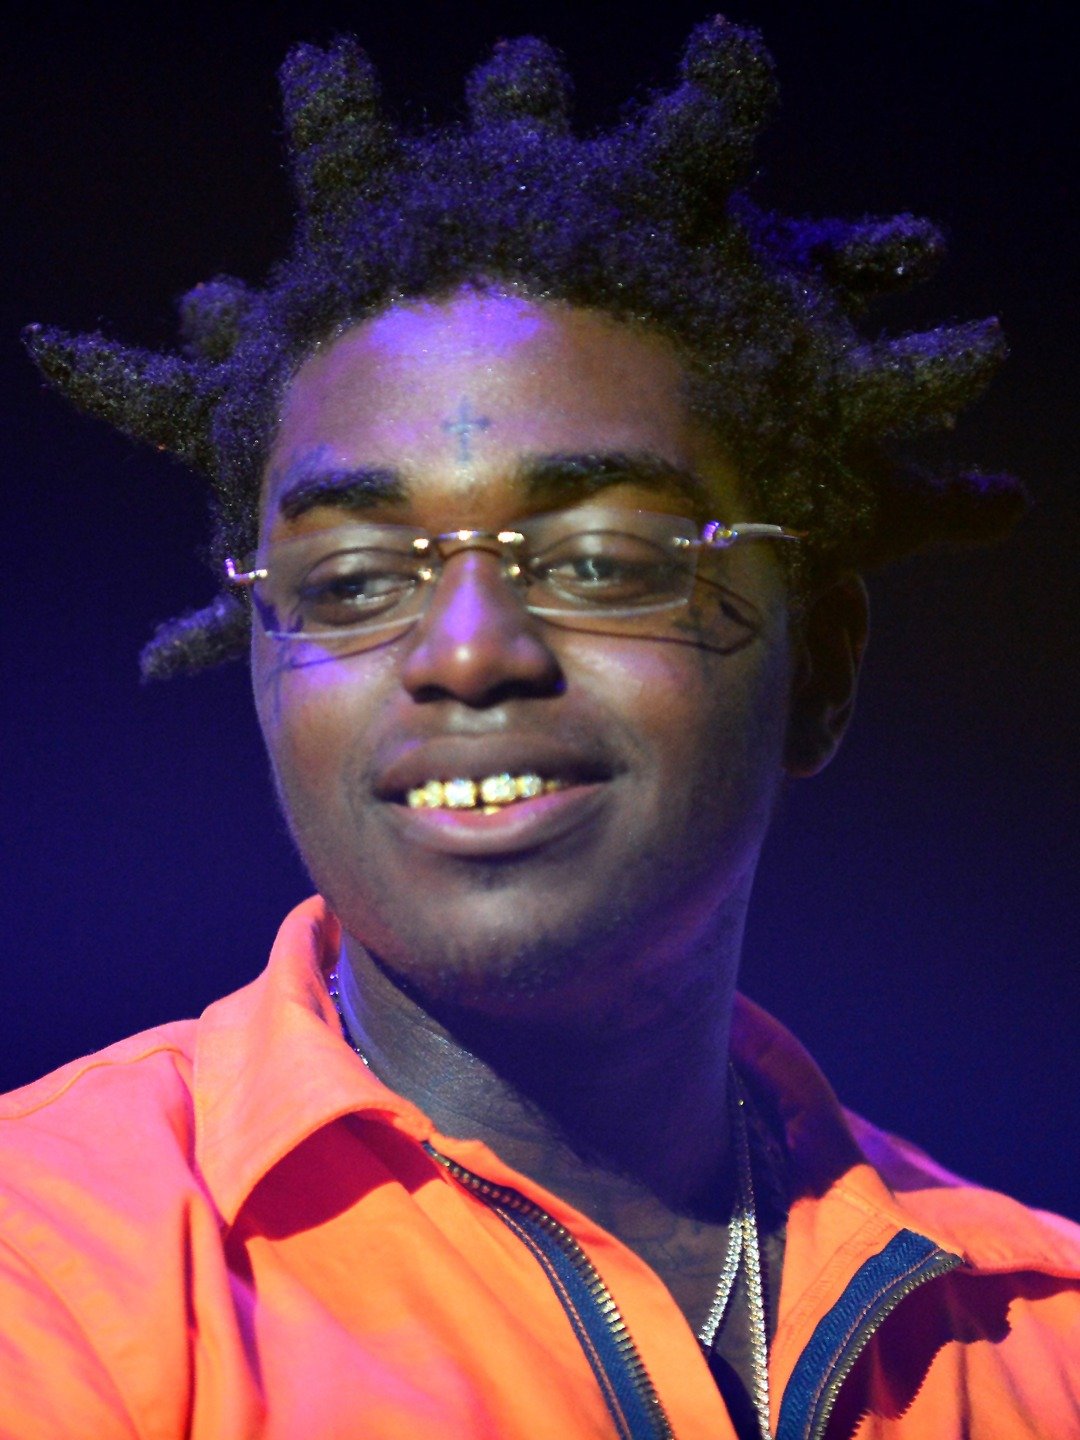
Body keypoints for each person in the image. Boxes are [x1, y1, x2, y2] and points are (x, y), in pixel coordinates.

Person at [2, 18, 1077, 1439]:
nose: (466, 652)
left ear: (819, 665)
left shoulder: (1041, 1335)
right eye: (352, 581)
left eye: (602, 562)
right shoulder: (56, 1272)